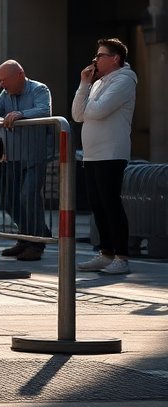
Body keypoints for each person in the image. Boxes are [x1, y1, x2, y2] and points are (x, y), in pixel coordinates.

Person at [72, 38, 137, 276]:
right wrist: (83, 84)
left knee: (111, 204)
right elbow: (78, 114)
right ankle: (106, 252)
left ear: (115, 58)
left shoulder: (124, 80)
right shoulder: (97, 83)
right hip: (92, 154)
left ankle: (122, 257)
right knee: (98, 205)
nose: (95, 60)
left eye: (100, 56)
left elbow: (98, 111)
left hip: (111, 152)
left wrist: (90, 103)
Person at [0, 60, 52, 262]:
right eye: (0, 80)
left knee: (28, 196)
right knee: (8, 199)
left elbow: (44, 110)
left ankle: (36, 244)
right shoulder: (6, 93)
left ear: (20, 74)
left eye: (5, 80)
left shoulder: (39, 89)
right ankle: (26, 236)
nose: (2, 85)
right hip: (13, 157)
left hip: (34, 156)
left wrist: (21, 114)